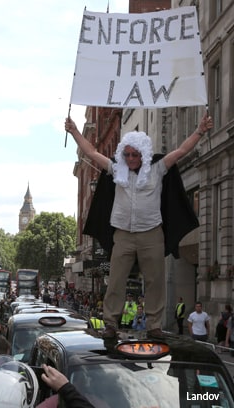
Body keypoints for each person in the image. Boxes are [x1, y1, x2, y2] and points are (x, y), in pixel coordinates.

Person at [64, 112, 213, 340]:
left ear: (143, 154)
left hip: (152, 234)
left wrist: (200, 130)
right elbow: (92, 152)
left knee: (155, 281)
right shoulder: (116, 169)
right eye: (127, 154)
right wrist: (74, 131)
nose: (131, 158)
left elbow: (182, 151)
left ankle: (154, 325)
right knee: (115, 280)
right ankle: (111, 324)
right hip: (123, 234)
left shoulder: (158, 169)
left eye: (135, 154)